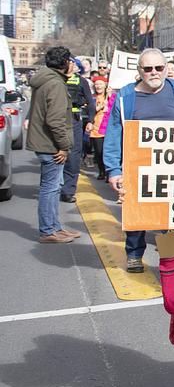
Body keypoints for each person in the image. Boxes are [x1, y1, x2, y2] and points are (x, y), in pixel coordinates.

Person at [104, 48, 174, 272]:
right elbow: (114, 133)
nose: (154, 72)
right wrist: (114, 169)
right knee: (137, 214)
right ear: (139, 71)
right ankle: (134, 255)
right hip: (138, 167)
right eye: (148, 68)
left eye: (159, 68)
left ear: (166, 69)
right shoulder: (126, 96)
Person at [29, 47, 79, 244]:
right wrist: (64, 146)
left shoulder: (46, 79)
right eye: (70, 61)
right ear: (64, 62)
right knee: (50, 188)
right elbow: (55, 120)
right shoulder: (55, 84)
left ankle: (55, 227)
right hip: (51, 145)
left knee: (53, 187)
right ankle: (48, 230)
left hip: (46, 142)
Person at [59, 58, 95, 204]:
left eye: (73, 63)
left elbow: (90, 102)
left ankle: (68, 191)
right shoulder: (55, 80)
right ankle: (53, 186)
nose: (71, 65)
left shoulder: (81, 81)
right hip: (57, 119)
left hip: (74, 120)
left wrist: (90, 121)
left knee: (73, 156)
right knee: (54, 154)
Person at [88, 77, 111, 181]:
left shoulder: (111, 96)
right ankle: (102, 171)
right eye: (96, 84)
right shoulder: (92, 97)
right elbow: (91, 110)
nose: (98, 86)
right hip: (96, 129)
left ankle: (109, 173)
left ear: (105, 85)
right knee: (99, 152)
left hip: (109, 128)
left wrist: (110, 99)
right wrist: (102, 105)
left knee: (108, 152)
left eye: (100, 84)